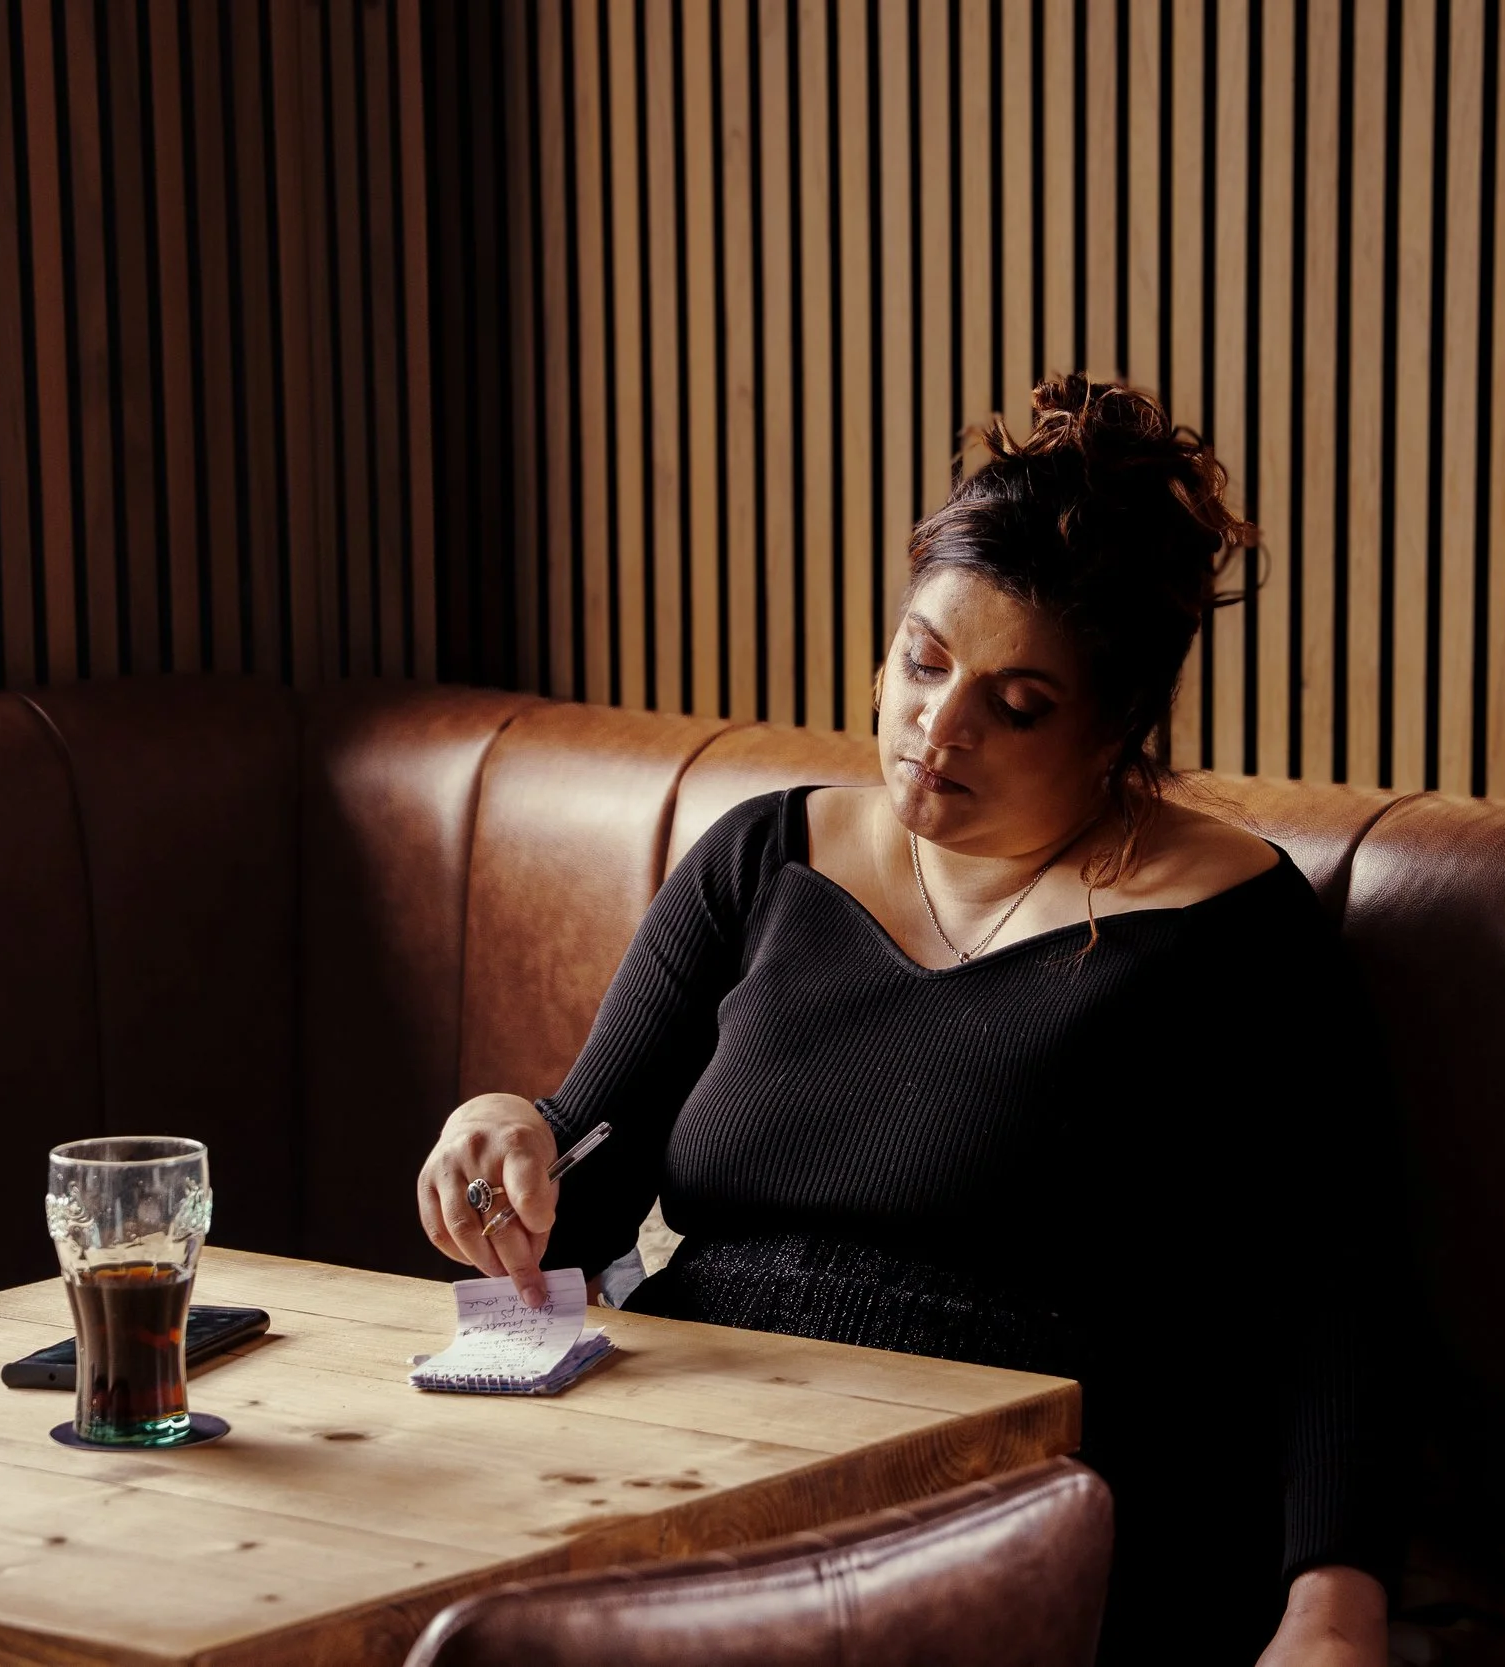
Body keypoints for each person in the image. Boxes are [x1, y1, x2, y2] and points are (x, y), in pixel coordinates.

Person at [417, 374, 1403, 1664]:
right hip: (695, 1478)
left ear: (1117, 729)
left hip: (1007, 1519)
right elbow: (581, 1190)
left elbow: (1336, 1288)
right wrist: (508, 1137)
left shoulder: (1231, 928)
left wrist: (1335, 1606)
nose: (941, 725)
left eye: (1019, 704)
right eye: (925, 663)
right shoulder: (764, 859)